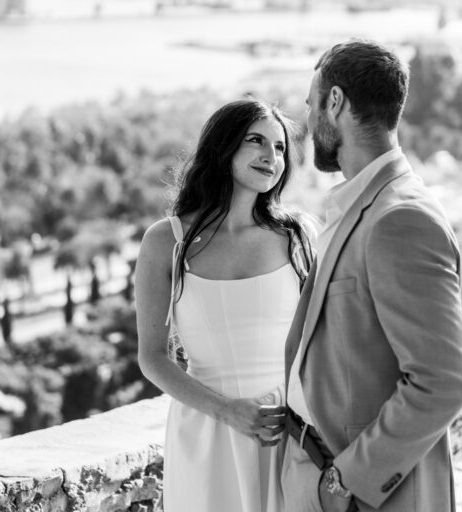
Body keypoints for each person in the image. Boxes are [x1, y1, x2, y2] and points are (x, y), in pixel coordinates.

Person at [281, 40, 462, 512]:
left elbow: (442, 381)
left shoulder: (400, 219)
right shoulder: (362, 204)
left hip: (370, 497)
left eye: (311, 103)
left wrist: (344, 484)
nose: (307, 122)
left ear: (336, 101)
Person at [134, 99, 314, 512]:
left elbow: (321, 341)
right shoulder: (165, 242)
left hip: (287, 430)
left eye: (281, 147)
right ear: (223, 147)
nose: (272, 156)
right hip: (205, 431)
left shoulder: (299, 237)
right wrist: (227, 411)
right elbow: (152, 358)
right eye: (256, 141)